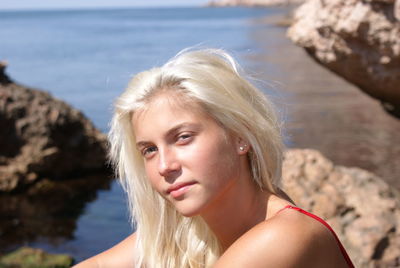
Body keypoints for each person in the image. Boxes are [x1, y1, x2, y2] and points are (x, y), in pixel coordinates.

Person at [74, 48, 354, 268]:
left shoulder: (286, 235)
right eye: (150, 149)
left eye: (183, 137)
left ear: (240, 136)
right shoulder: (190, 231)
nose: (164, 166)